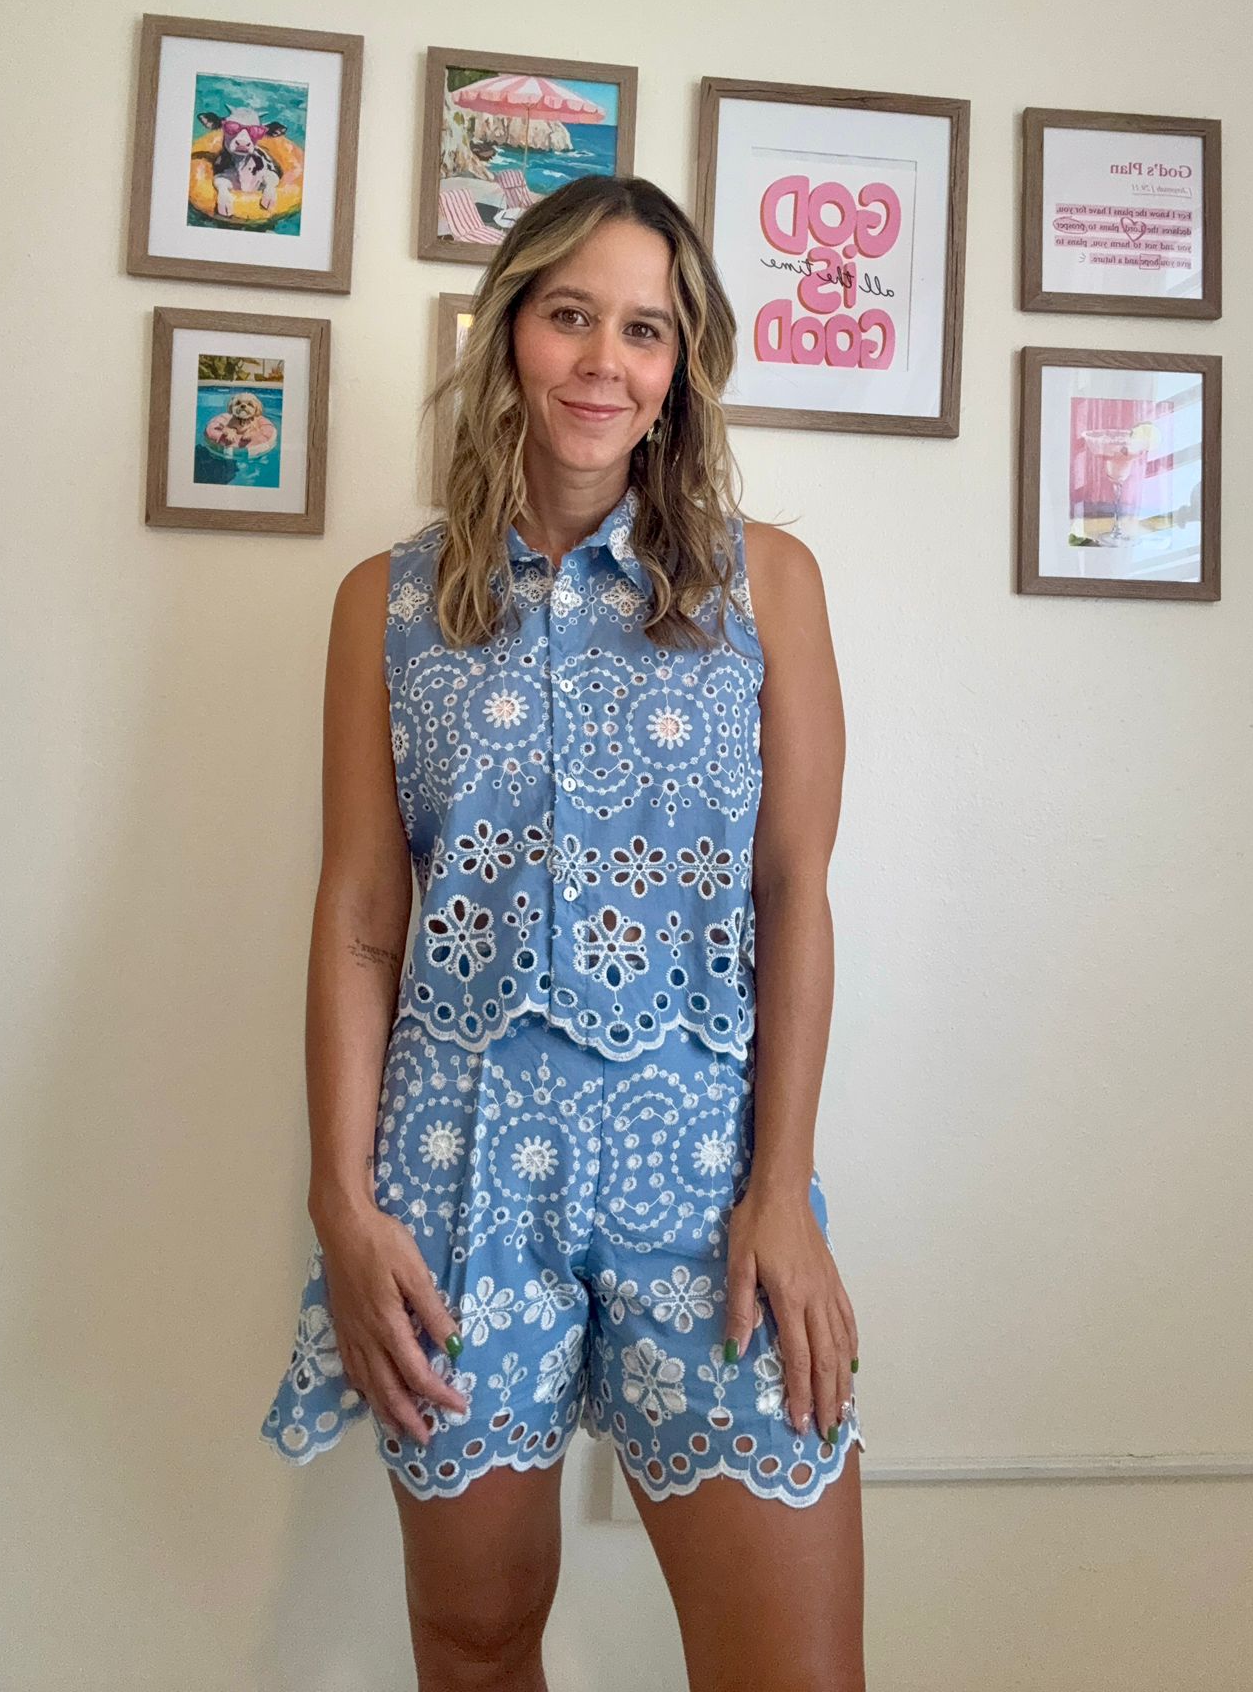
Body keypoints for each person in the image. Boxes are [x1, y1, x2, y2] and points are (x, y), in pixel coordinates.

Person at [261, 175, 866, 1690]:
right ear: (510, 334)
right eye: (571, 316)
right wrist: (342, 1204)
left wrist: (783, 1190)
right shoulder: (386, 604)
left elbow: (794, 892)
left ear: (682, 365)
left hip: (709, 1176)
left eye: (645, 329)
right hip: (455, 1176)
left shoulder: (767, 586)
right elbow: (361, 918)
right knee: (474, 1645)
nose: (606, 360)